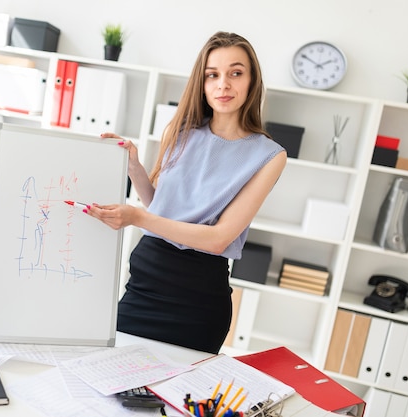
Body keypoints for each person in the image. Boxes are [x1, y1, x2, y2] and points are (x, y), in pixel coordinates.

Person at [85, 31, 287, 353]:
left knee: (174, 399)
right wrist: (134, 166)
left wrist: (137, 217)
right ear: (202, 83)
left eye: (236, 73)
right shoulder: (179, 132)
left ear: (252, 82)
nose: (223, 84)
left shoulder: (269, 155)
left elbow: (219, 238)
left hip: (199, 298)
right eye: (213, 75)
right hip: (145, 284)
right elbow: (159, 206)